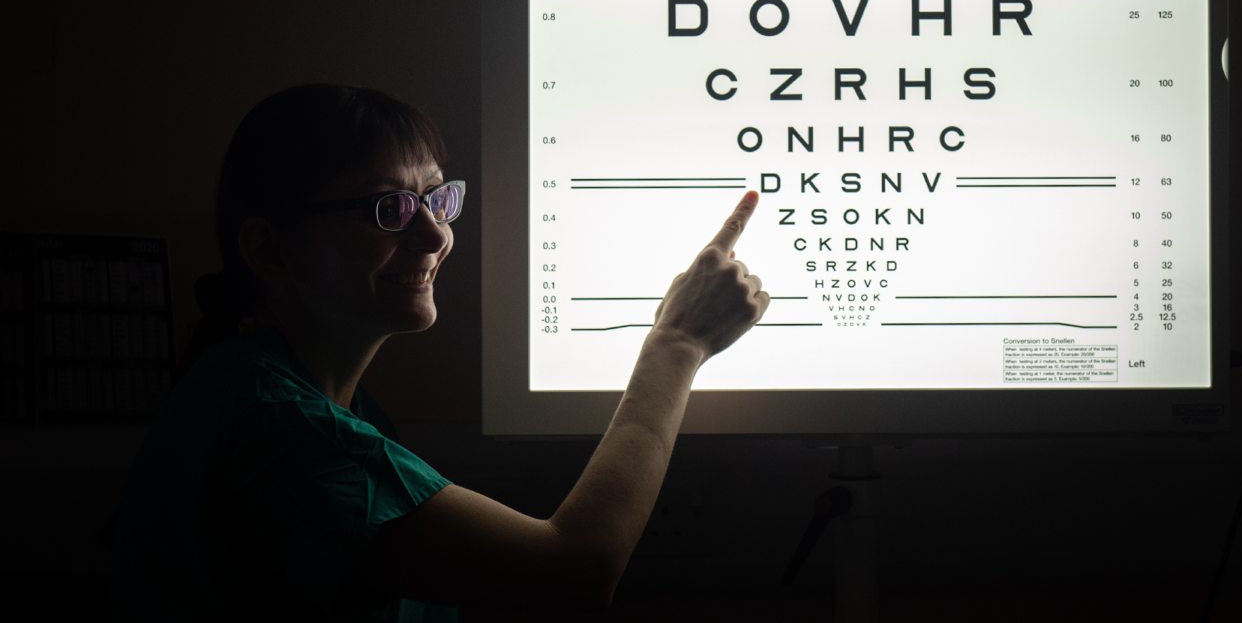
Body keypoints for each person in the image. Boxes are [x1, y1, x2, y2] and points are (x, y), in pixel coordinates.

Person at [112, 84, 769, 620]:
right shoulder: (276, 425)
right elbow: (574, 573)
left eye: (435, 199)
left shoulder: (302, 396)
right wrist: (677, 343)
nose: (434, 236)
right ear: (270, 250)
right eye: (387, 208)